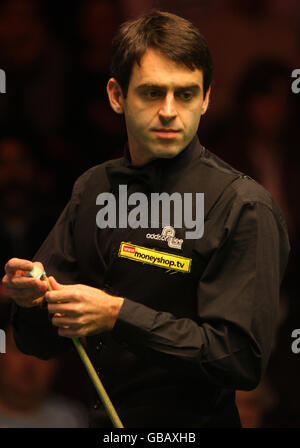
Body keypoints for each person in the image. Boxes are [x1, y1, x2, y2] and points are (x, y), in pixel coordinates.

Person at [2, 10, 290, 428]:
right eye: (153, 93)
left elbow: (240, 359)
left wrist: (117, 314)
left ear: (207, 98)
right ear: (117, 95)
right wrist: (30, 301)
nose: (170, 111)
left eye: (186, 94)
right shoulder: (94, 190)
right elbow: (39, 343)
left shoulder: (242, 205)